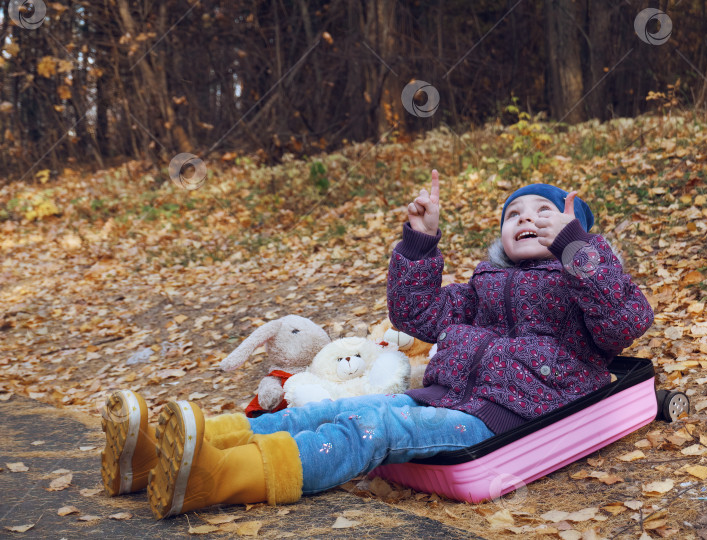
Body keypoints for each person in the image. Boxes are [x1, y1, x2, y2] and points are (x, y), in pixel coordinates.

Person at [100, 169, 653, 519]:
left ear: (576, 229)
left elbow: (625, 322)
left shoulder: (584, 284)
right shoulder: (483, 286)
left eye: (544, 213)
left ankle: (219, 479)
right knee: (335, 409)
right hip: (443, 396)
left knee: (374, 429)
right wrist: (420, 241)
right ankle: (158, 459)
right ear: (501, 239)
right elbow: (414, 313)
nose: (527, 219)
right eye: (514, 214)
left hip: (508, 415)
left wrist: (581, 253)